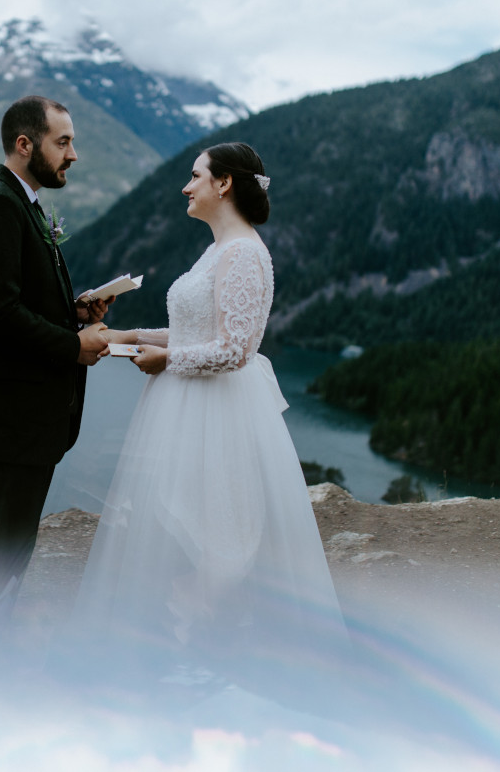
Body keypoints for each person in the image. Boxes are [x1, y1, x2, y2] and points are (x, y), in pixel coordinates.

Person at [71, 141, 345, 670]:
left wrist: (164, 361)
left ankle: (208, 650)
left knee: (216, 538)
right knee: (180, 537)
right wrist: (125, 334)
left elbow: (235, 350)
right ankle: (184, 644)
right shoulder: (221, 248)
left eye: (195, 176)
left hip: (217, 416)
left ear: (224, 184)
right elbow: (197, 330)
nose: (186, 186)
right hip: (188, 408)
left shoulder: (243, 252)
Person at [0, 95, 112, 623]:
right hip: (7, 415)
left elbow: (17, 299)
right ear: (24, 144)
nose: (73, 154)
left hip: (22, 416)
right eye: (63, 142)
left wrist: (75, 312)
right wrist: (71, 346)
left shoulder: (24, 203)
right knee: (5, 535)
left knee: (15, 534)